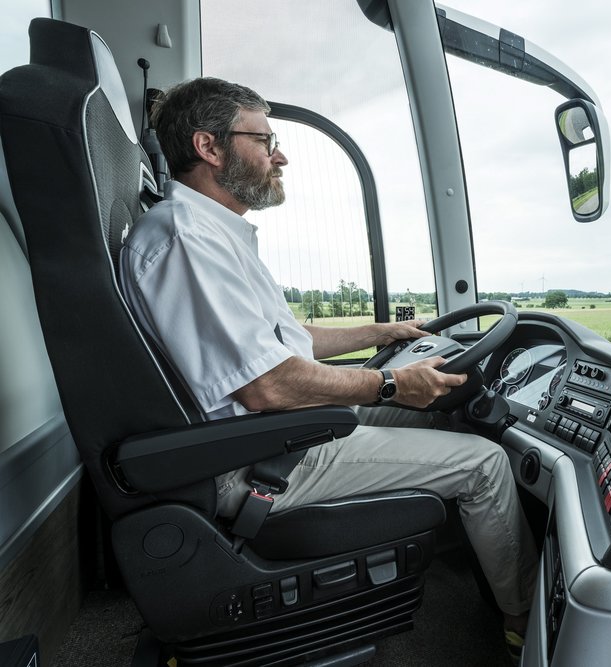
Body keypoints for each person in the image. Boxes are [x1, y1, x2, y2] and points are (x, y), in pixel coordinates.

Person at [118, 77, 536, 657]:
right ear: (209, 148)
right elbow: (268, 384)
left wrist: (381, 333)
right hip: (259, 459)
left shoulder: (211, 234)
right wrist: (392, 382)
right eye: (264, 140)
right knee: (487, 462)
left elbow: (284, 343)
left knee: (443, 422)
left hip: (269, 433)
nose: (279, 154)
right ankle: (525, 624)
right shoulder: (188, 242)